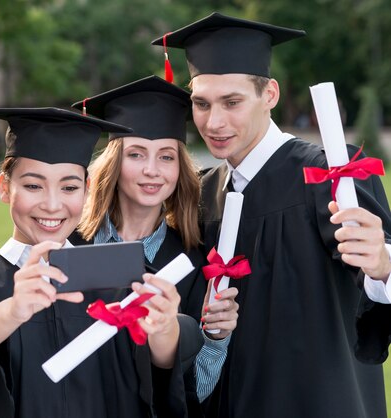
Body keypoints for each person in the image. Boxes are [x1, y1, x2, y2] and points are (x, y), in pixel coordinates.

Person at [152, 12, 391, 418]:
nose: (215, 122)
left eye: (232, 102)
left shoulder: (330, 173)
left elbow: (375, 295)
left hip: (319, 403)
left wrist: (383, 267)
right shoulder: (201, 196)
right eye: (201, 103)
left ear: (270, 95)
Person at [0, 107, 203, 418]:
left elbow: (167, 363)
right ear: (5, 187)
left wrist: (164, 328)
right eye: (33, 185)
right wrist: (14, 310)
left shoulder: (120, 276)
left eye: (69, 187)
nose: (53, 204)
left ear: (86, 191)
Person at [69, 75, 239, 410]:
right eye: (136, 154)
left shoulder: (192, 264)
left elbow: (196, 392)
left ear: (179, 167)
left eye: (166, 156)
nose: (152, 170)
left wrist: (216, 338)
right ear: (114, 161)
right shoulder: (71, 245)